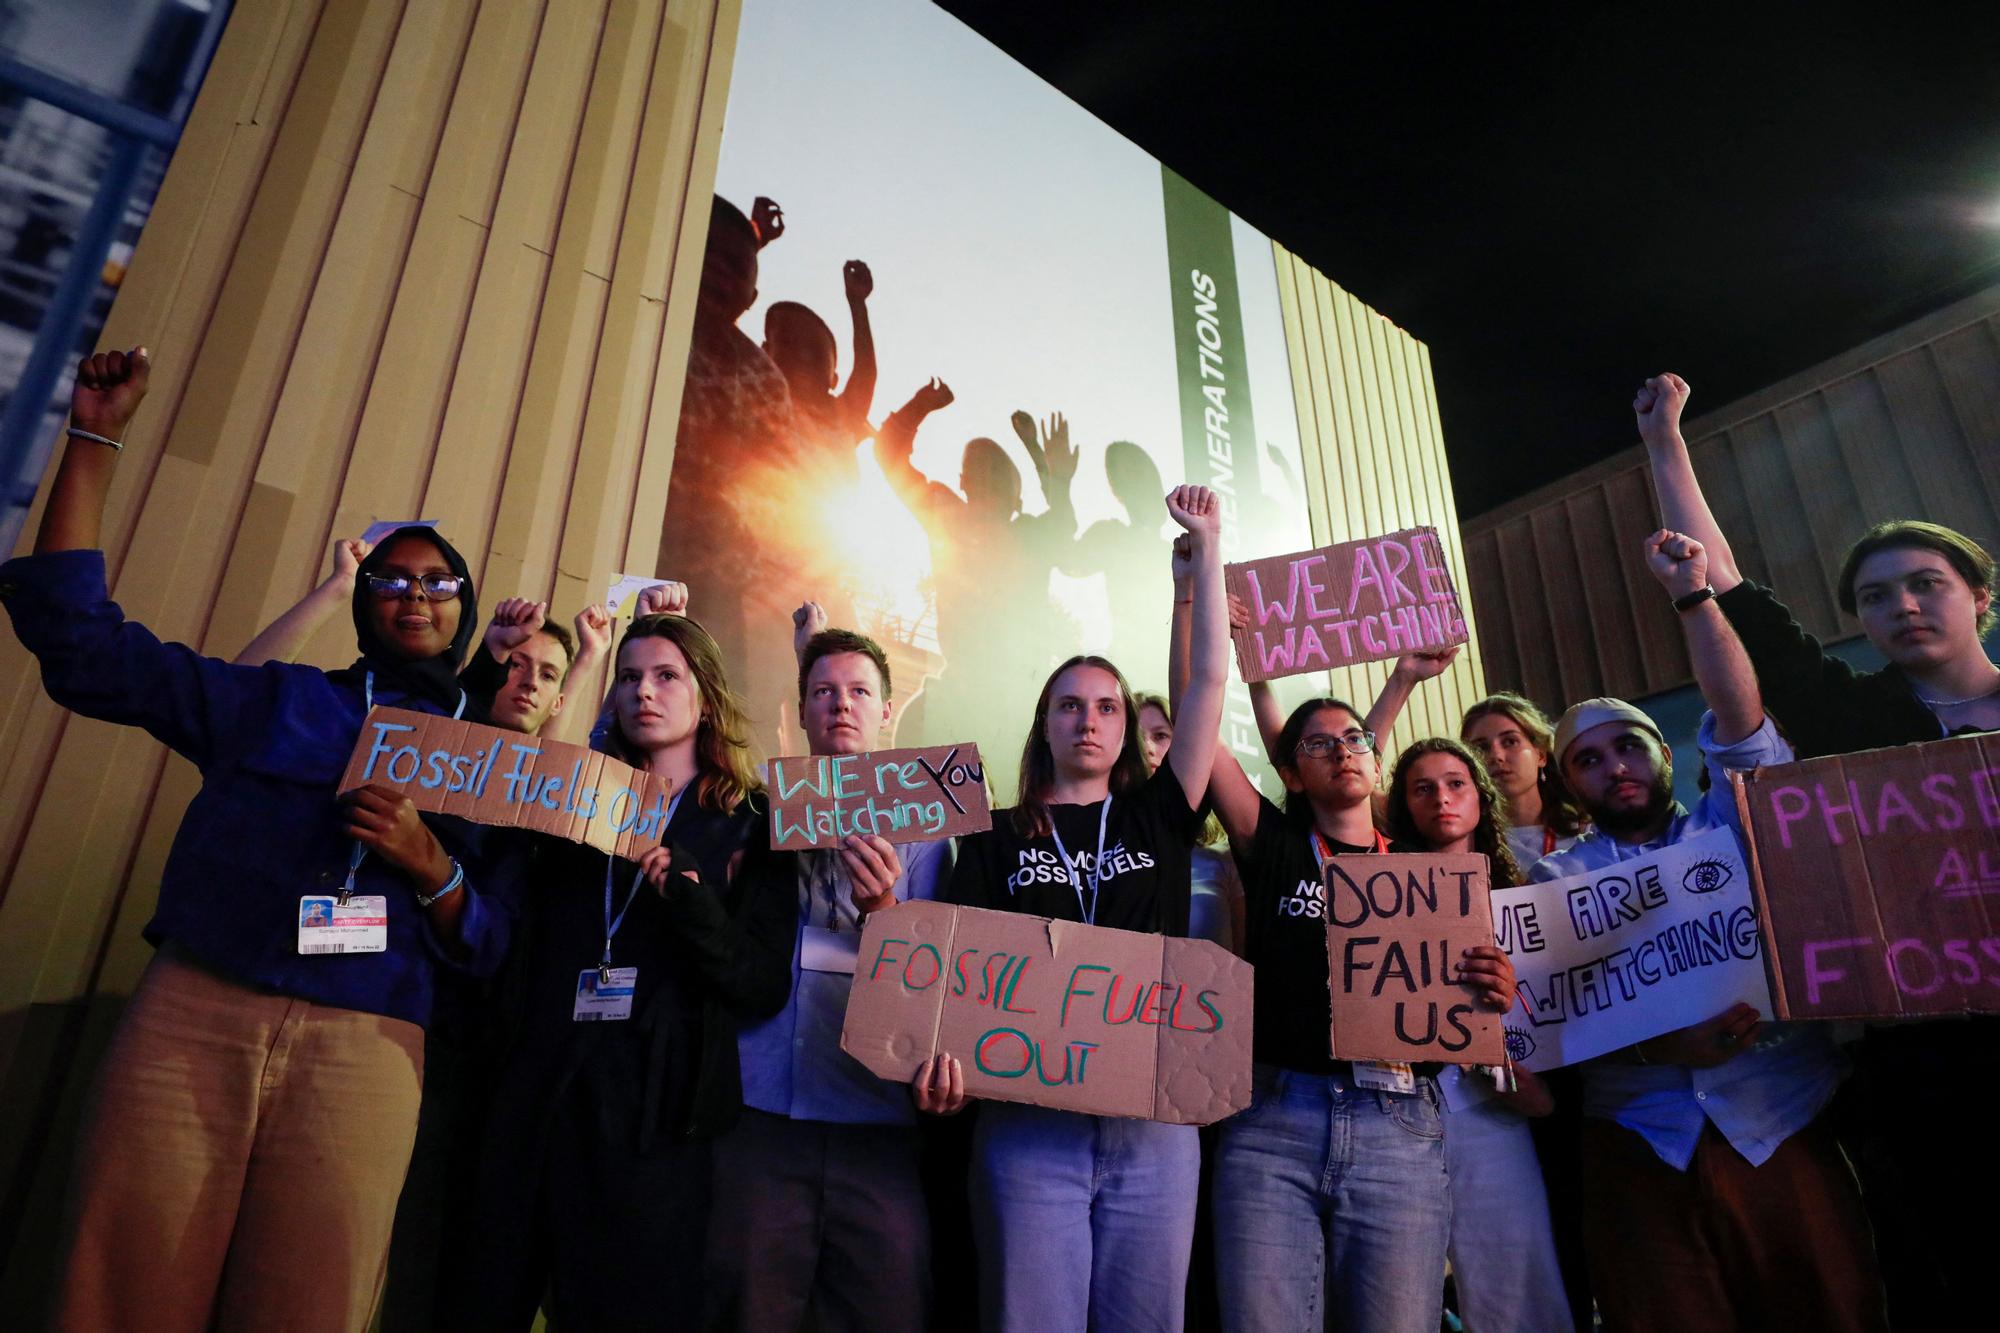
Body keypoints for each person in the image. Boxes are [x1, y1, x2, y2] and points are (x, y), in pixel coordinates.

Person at [3, 348, 523, 1332]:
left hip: (367, 1044)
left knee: (312, 1305)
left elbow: (500, 944)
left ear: (463, 605)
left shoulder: (496, 762)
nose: (415, 594)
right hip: (197, 1016)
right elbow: (83, 646)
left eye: (439, 581)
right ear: (364, 600)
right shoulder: (279, 699)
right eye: (391, 578)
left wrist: (433, 865)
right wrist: (93, 440)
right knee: (117, 1291)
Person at [1638, 369, 1997, 1325]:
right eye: (1878, 597)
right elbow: (1736, 596)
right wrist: (1666, 446)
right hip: (1923, 1066)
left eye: (1928, 584)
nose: (1905, 606)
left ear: (1980, 597)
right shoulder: (1857, 714)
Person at [1526, 523, 1886, 1330]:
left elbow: (1743, 721)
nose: (1613, 765)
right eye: (1588, 759)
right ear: (1569, 784)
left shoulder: (1735, 825)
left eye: (1628, 746)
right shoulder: (1557, 880)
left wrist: (1692, 599)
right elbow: (1551, 1019)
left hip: (1782, 1116)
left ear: (1664, 752)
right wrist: (1658, 1047)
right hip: (1637, 1140)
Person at [452, 610, 793, 1330]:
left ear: (705, 692)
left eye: (667, 675)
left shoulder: (754, 820)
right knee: (483, 1297)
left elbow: (763, 983)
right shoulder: (574, 792)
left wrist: (698, 908)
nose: (645, 691)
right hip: (539, 1086)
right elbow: (485, 826)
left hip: (656, 1112)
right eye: (630, 677)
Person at [940, 484, 1226, 1332]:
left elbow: (1208, 678)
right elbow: (954, 966)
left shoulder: (1157, 813)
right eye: (1071, 705)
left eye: (1108, 706)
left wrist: (1207, 549)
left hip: (1153, 1125)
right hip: (1028, 1126)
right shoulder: (989, 833)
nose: (1091, 720)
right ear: (1045, 724)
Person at [1200, 691, 1515, 1333]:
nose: (1341, 751)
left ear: (1376, 761)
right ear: (1291, 773)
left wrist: (1495, 989)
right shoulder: (1273, 843)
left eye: (1354, 740)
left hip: (1399, 1121)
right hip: (1272, 1122)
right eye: (1317, 745)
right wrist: (1190, 604)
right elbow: (1200, 722)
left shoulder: (1427, 868)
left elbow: (1468, 994)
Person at [705, 609, 959, 1332]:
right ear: (803, 710)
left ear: (887, 708)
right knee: (747, 1304)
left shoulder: (931, 824)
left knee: (885, 1306)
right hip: (761, 1108)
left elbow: (942, 975)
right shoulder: (758, 812)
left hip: (876, 1116)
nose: (840, 704)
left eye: (856, 691)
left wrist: (884, 904)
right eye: (822, 691)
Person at [1383, 738, 1571, 1332]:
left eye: (1455, 783)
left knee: (1515, 1288)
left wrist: (1506, 1012)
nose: (1441, 797)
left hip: (1493, 1106)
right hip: (1395, 1108)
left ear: (1479, 797)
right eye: (1422, 788)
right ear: (1403, 807)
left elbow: (1554, 1045)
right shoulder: (1374, 900)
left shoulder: (1527, 902)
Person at [874, 383, 1079, 753]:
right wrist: (919, 406)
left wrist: (1047, 465)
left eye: (998, 471)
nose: (986, 475)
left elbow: (1064, 528)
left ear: (1017, 498)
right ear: (962, 481)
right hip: (959, 688)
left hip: (1019, 695)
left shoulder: (1030, 535)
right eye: (976, 467)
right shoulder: (946, 515)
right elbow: (888, 456)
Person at [1460, 691, 1587, 868]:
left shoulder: (1587, 833)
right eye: (1481, 748)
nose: (1496, 756)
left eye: (1510, 741)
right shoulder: (1464, 847)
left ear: (1540, 754)